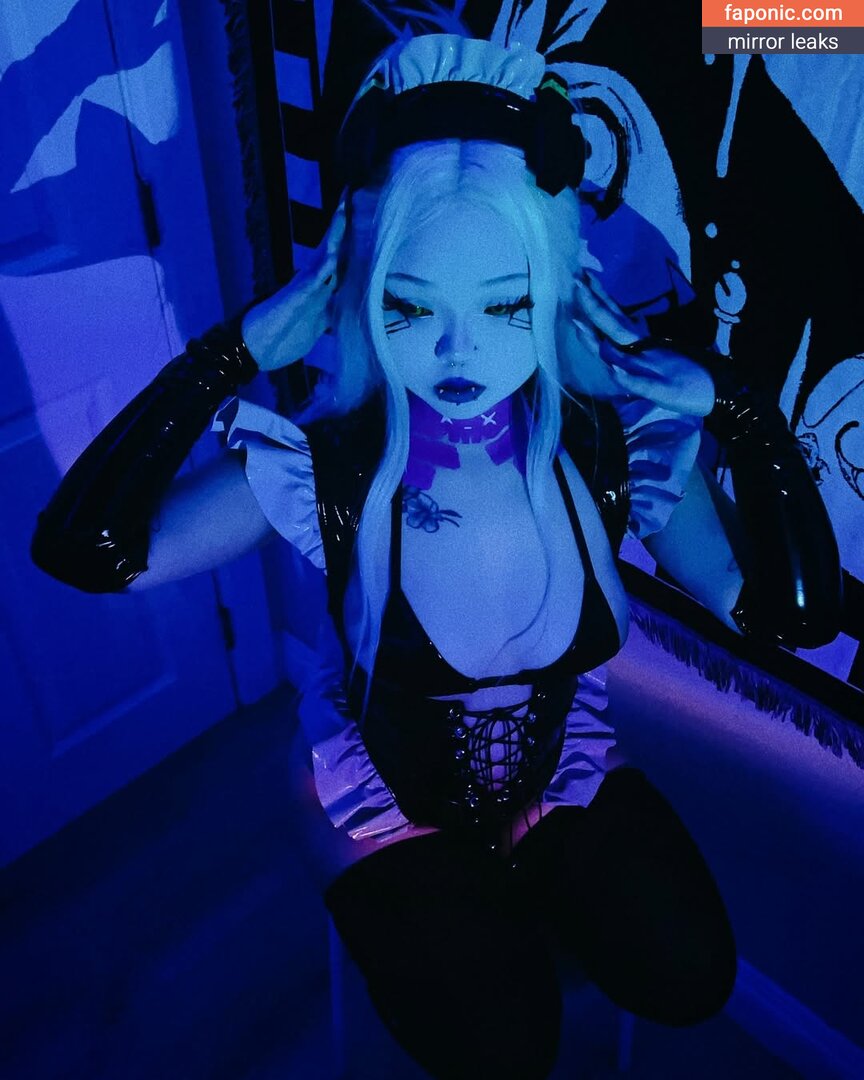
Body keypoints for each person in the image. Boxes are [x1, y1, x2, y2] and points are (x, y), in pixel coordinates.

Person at [31, 32, 842, 1080]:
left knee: (691, 977)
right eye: (411, 306)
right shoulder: (326, 467)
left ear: (555, 293)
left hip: (562, 772)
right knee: (502, 1051)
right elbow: (89, 553)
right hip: (378, 798)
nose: (459, 353)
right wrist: (226, 356)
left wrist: (739, 407)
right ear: (360, 294)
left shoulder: (612, 450)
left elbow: (788, 616)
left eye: (506, 305)